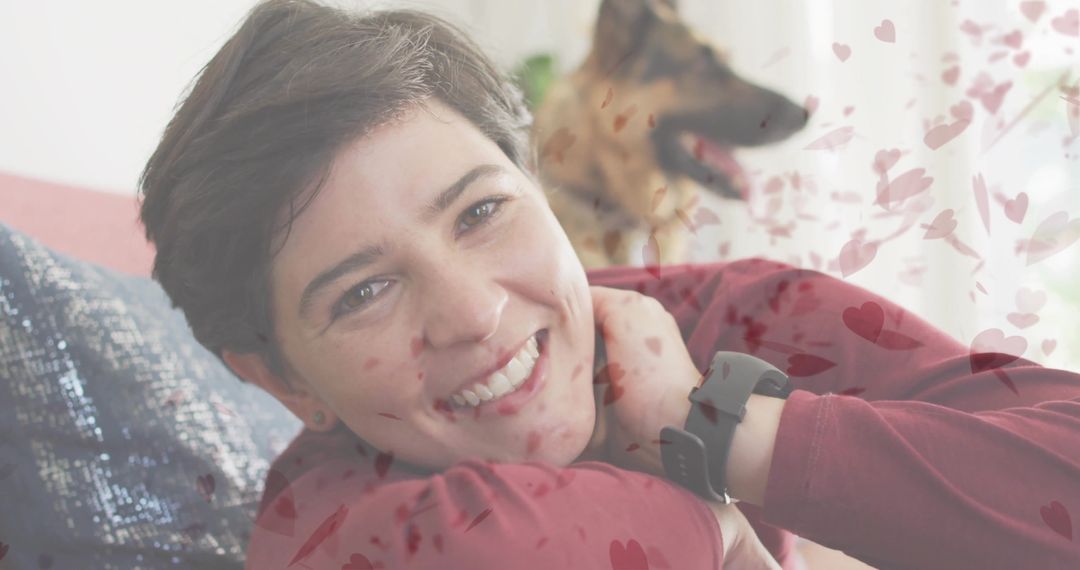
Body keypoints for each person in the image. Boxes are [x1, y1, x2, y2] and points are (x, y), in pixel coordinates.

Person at [137, 1, 1080, 568]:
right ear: (281, 381)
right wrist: (715, 523)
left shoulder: (723, 314)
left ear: (540, 189)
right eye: (362, 293)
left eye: (479, 212)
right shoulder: (333, 525)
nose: (473, 312)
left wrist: (720, 429)